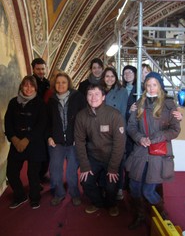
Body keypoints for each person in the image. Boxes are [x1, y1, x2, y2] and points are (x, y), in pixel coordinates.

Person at [125, 72, 181, 229]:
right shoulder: (139, 104)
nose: (151, 87)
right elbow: (131, 127)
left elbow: (175, 129)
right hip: (140, 153)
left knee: (148, 190)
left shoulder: (169, 105)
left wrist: (157, 137)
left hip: (159, 154)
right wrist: (139, 138)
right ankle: (140, 215)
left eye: (154, 84)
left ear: (160, 86)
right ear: (145, 86)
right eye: (148, 84)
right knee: (134, 187)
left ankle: (162, 212)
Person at [74, 84, 126, 217]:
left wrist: (113, 167)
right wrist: (85, 166)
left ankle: (111, 204)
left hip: (112, 158)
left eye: (97, 94)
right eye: (90, 94)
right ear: (86, 97)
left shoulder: (114, 115)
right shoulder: (81, 116)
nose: (93, 97)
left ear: (103, 97)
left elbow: (119, 144)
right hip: (93, 157)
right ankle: (98, 203)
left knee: (111, 186)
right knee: (85, 181)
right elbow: (79, 142)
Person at [4, 76, 47, 209]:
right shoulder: (13, 103)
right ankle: (20, 195)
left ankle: (35, 198)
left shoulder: (40, 104)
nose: (28, 88)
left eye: (31, 86)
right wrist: (15, 139)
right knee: (11, 173)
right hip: (17, 144)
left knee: (33, 174)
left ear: (35, 88)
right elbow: (8, 123)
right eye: (26, 85)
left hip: (34, 144)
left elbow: (42, 125)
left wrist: (27, 139)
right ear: (21, 86)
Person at [47, 72, 86, 206]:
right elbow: (46, 122)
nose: (61, 85)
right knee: (55, 171)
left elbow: (84, 119)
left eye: (63, 82)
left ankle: (75, 194)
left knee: (71, 174)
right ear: (54, 84)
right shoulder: (51, 100)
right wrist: (49, 137)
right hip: (56, 142)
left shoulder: (78, 97)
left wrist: (80, 137)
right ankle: (59, 193)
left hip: (73, 141)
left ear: (68, 83)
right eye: (58, 82)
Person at [100, 67, 128, 200]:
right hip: (101, 130)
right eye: (107, 76)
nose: (109, 79)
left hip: (116, 130)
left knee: (118, 160)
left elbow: (122, 112)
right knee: (104, 160)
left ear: (116, 77)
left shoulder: (122, 91)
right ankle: (104, 187)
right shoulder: (99, 90)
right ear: (103, 78)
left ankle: (119, 188)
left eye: (112, 76)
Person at [31, 58, 50, 183]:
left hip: (46, 121)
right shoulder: (30, 82)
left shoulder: (48, 82)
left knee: (46, 151)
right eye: (38, 69)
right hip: (34, 121)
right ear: (33, 69)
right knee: (37, 152)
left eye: (43, 69)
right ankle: (36, 178)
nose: (41, 71)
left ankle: (42, 174)